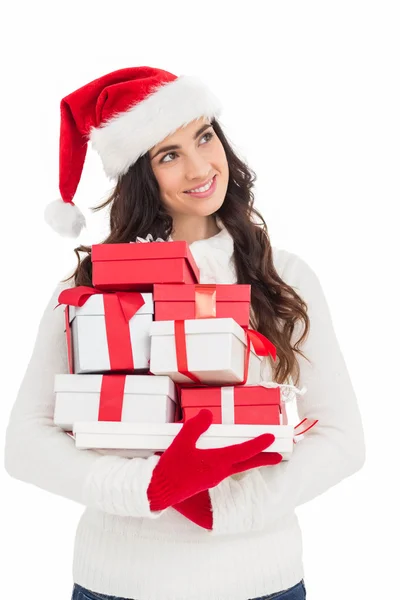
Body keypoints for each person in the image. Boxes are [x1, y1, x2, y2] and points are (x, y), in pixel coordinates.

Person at [4, 66, 366, 600]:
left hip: (261, 581)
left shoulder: (283, 277)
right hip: (119, 583)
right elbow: (24, 444)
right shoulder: (88, 290)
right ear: (139, 177)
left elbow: (343, 440)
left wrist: (226, 506)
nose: (200, 166)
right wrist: (146, 489)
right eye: (168, 155)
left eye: (204, 136)